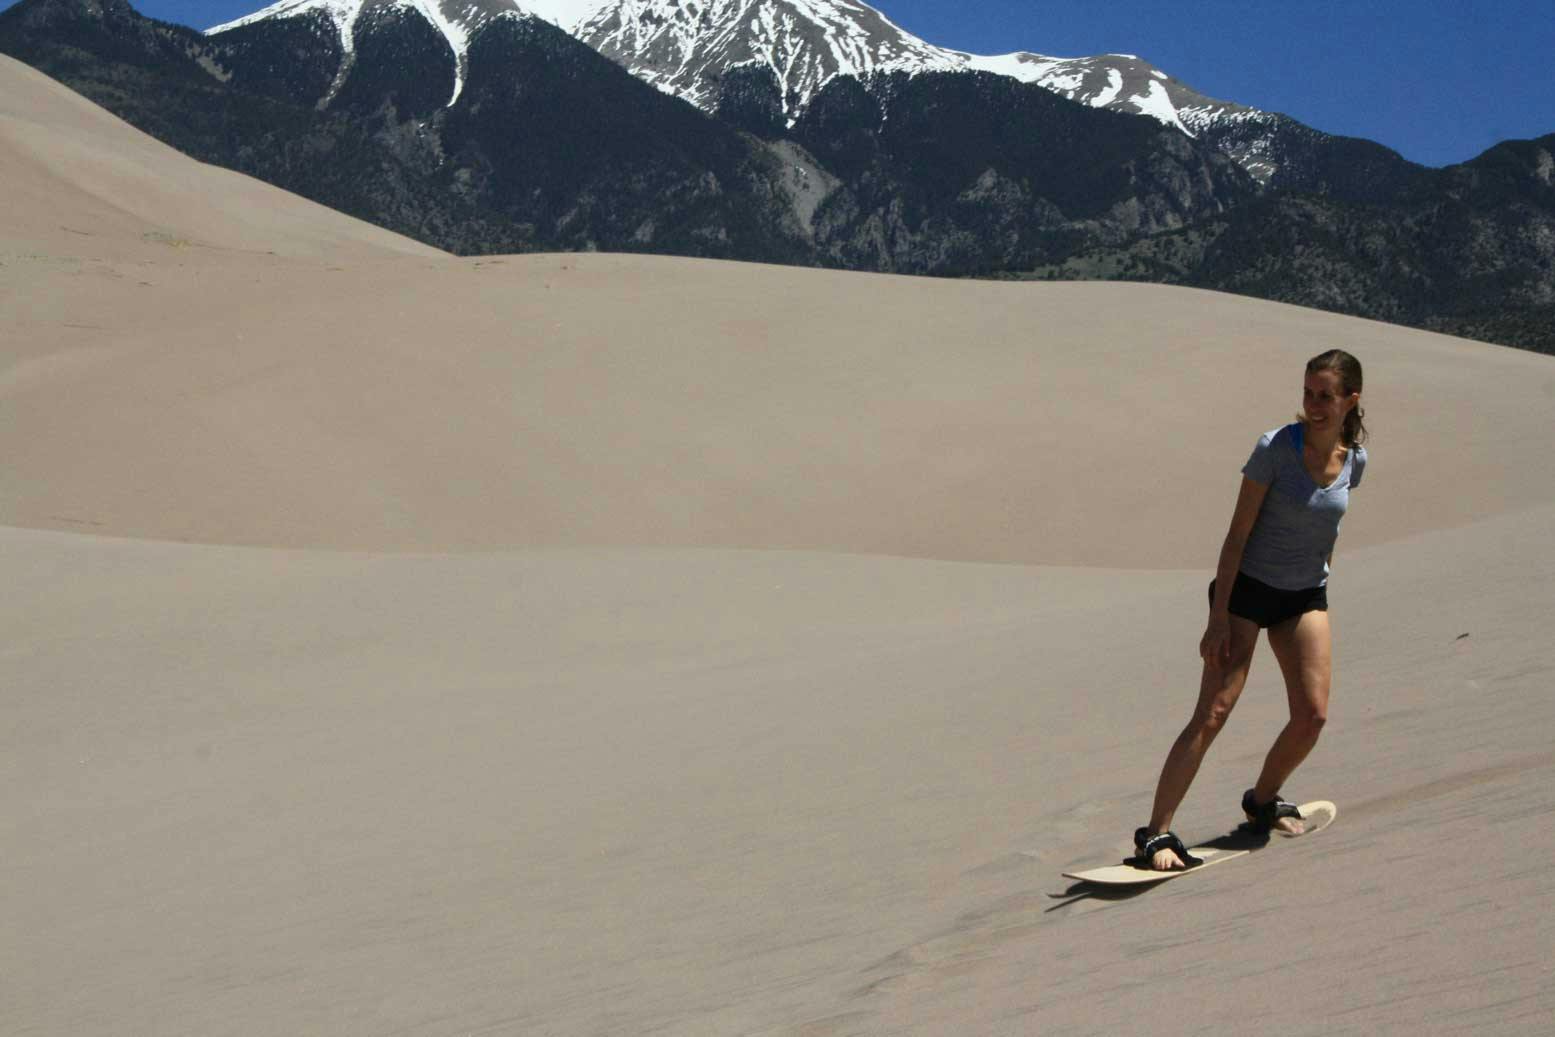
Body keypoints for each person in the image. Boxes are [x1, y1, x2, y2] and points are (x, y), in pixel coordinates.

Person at [1135, 349, 1368, 870]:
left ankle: (1262, 800)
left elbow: (1327, 528)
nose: (1313, 405)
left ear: (1351, 400)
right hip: (1246, 590)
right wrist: (1218, 615)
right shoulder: (1276, 449)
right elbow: (1237, 533)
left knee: (1312, 715)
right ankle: (1156, 834)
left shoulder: (1355, 461)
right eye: (1308, 392)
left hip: (1304, 594)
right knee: (1214, 712)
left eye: (1325, 396)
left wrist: (1320, 577)